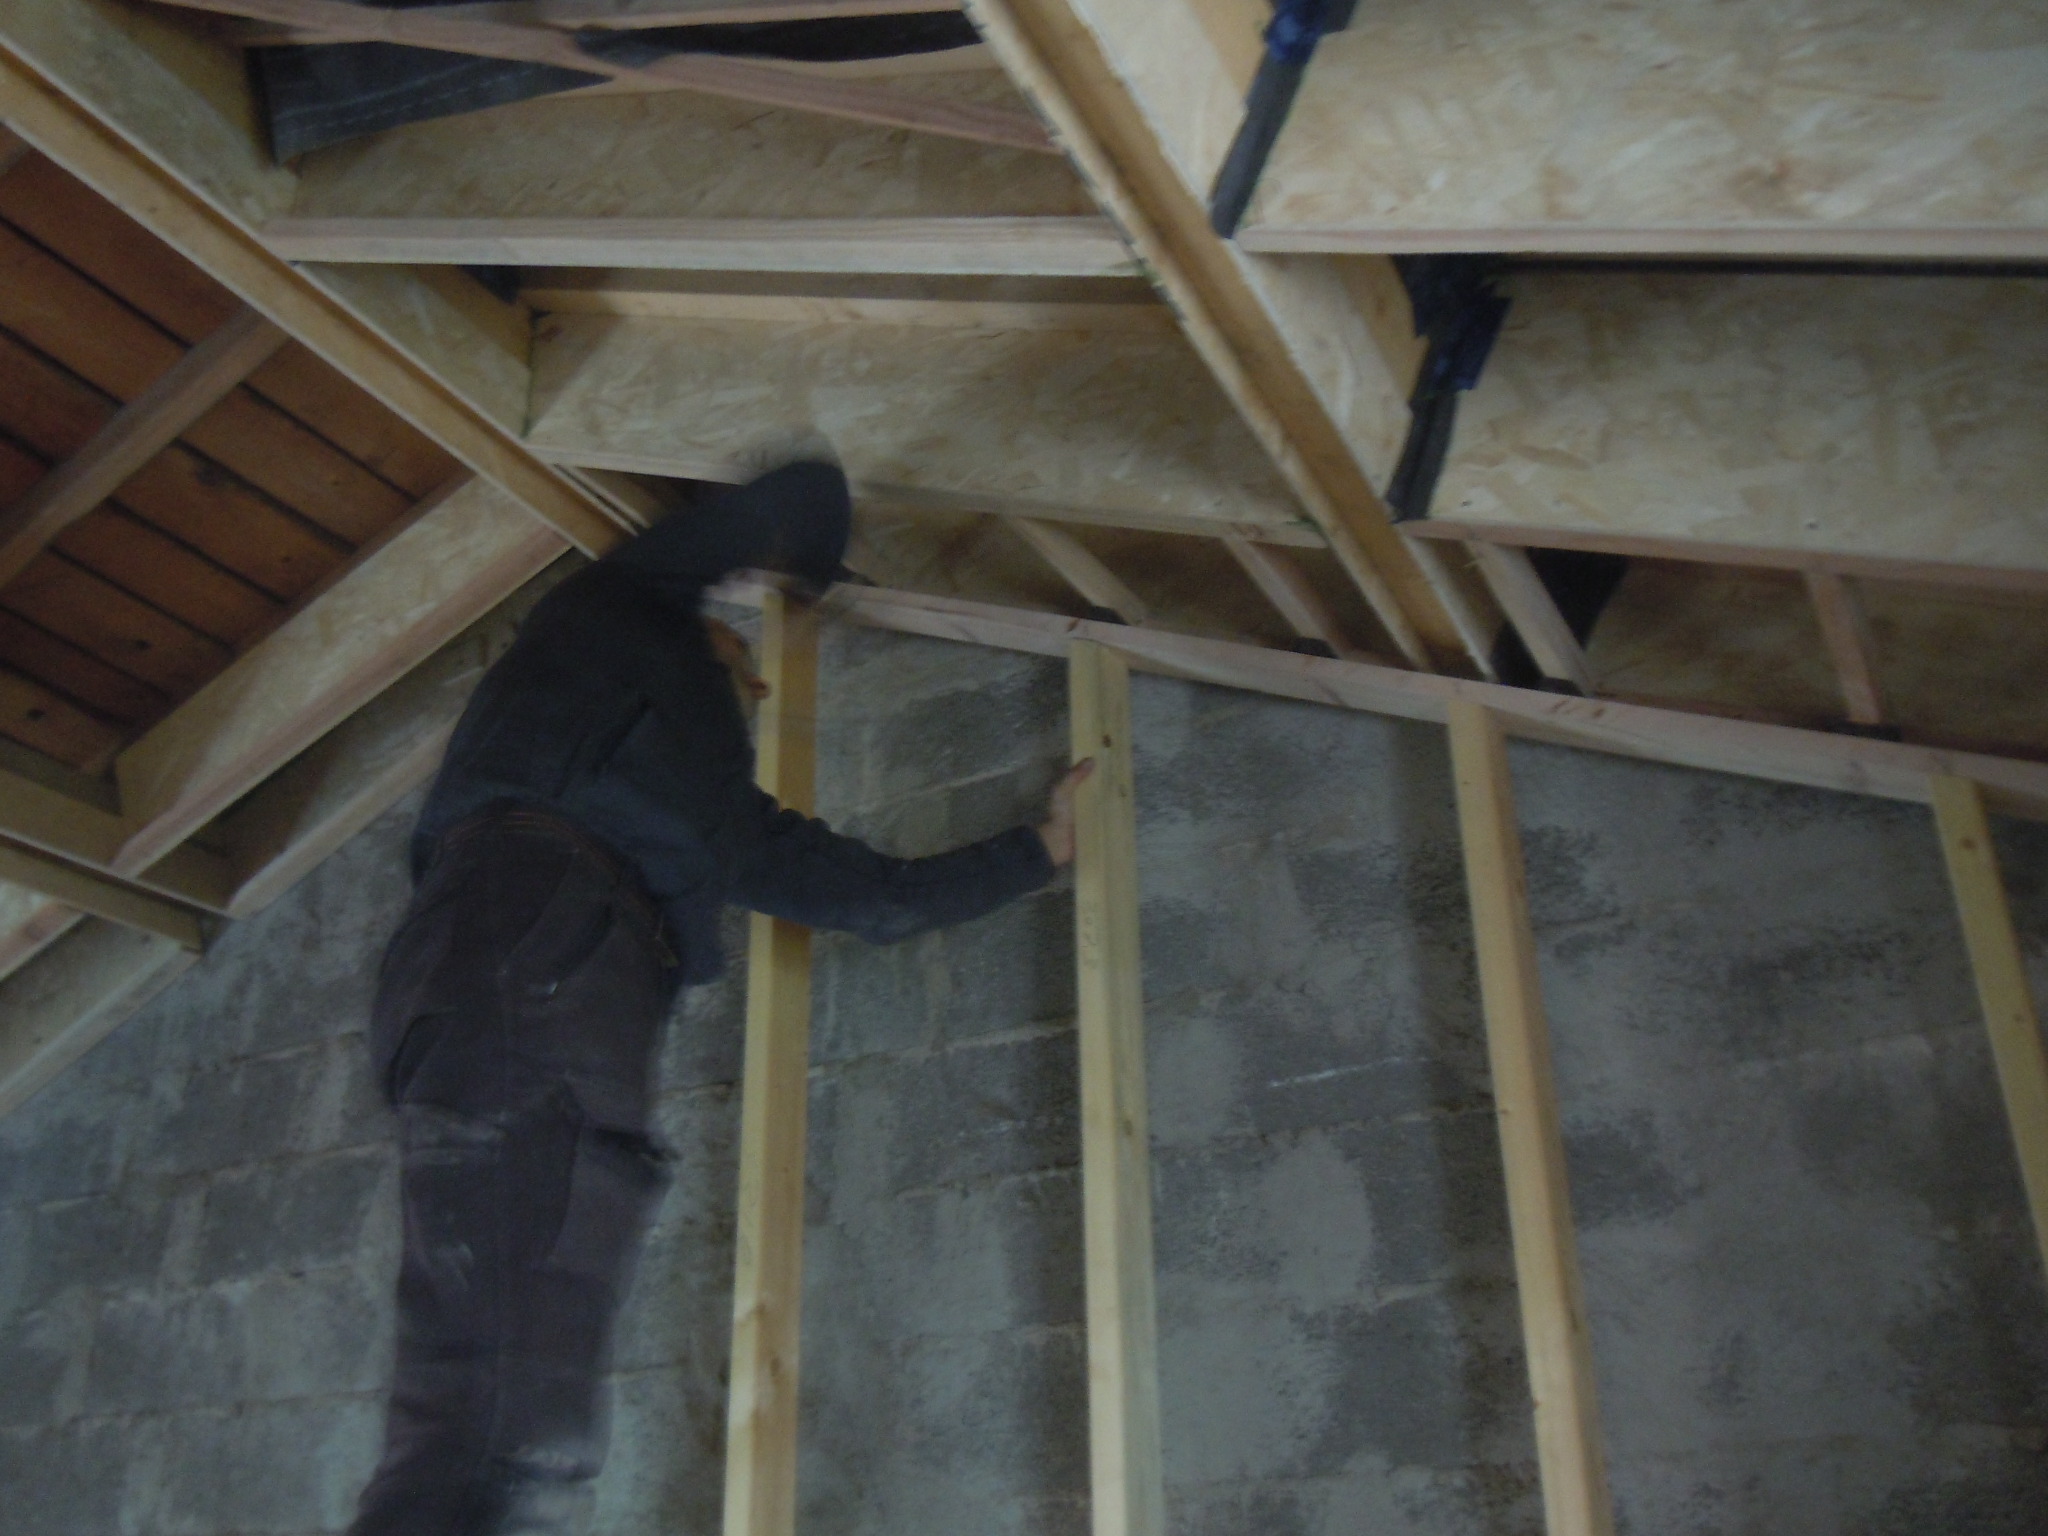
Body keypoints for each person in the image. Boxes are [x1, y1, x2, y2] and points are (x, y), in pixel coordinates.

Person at [350, 462, 1091, 1534]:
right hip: (526, 941)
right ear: (709, 642)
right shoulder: (603, 625)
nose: (756, 691)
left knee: (520, 1401)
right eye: (746, 664)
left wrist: (1039, 852)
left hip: (541, 979)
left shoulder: (712, 820)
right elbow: (766, 508)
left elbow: (872, 899)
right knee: (502, 1429)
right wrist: (813, 556)